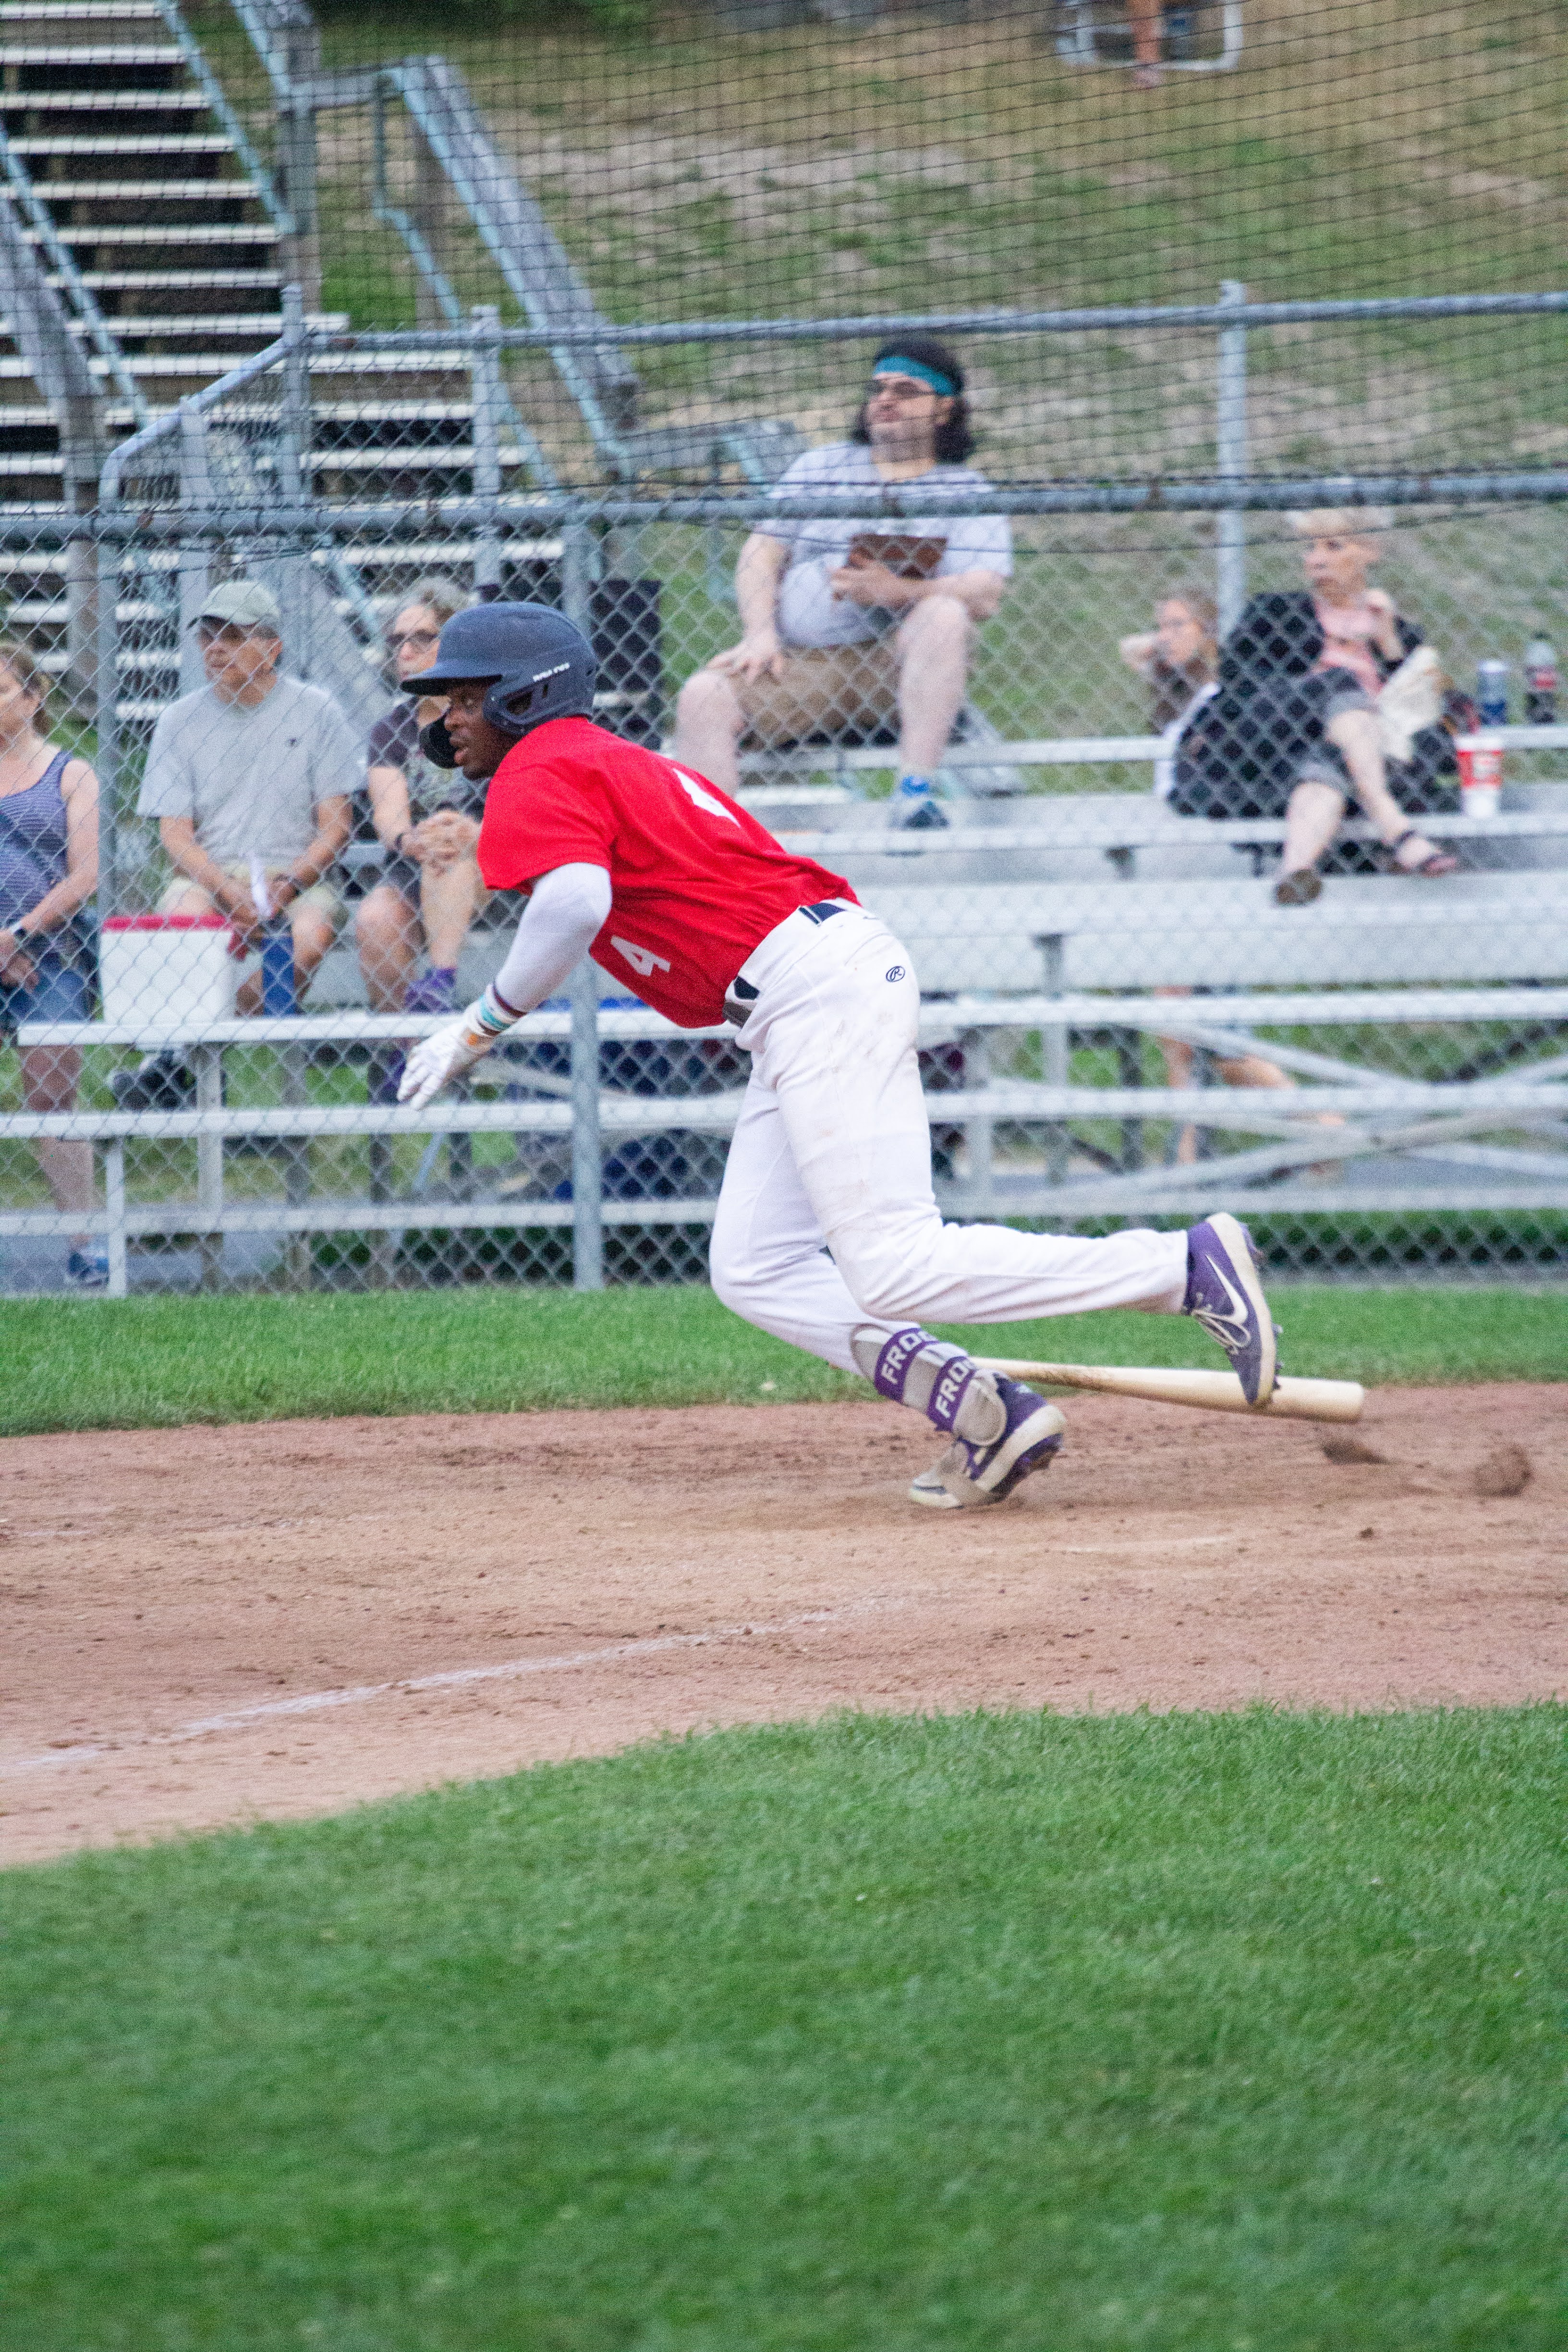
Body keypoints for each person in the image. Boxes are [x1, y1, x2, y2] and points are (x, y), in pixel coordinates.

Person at [395, 601, 1282, 1512]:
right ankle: (981, 1406)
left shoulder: (543, 763)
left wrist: (478, 1024)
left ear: (524, 694)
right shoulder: (589, 761)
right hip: (805, 990)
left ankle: (1183, 1266)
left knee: (896, 1262)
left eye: (466, 695)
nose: (447, 718)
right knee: (755, 1264)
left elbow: (576, 902)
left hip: (814, 988)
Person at [671, 337, 1010, 832]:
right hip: (798, 664)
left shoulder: (966, 491)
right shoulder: (821, 466)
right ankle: (718, 851)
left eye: (905, 390)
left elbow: (985, 592)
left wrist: (900, 592)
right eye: (876, 388)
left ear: (945, 409)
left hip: (891, 668)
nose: (884, 399)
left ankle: (914, 795)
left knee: (945, 614)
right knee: (702, 694)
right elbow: (761, 552)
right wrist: (759, 633)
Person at [118, 581, 357, 1107]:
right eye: (207, 636)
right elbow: (175, 838)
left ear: (272, 646)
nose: (215, 648)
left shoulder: (318, 711)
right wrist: (231, 892)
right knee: (182, 916)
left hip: (293, 870)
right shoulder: (179, 720)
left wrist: (288, 885)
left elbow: (336, 827)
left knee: (310, 938)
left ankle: (181, 1054)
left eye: (231, 635)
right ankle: (192, 1061)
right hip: (210, 870)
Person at [1171, 510, 1459, 906]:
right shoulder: (1273, 614)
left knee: (1327, 760)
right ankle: (1397, 830)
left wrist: (1389, 643)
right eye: (1310, 548)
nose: (1316, 559)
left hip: (1345, 764)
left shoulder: (1400, 632)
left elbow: (1425, 719)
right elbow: (1239, 687)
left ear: (1369, 552)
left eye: (1333, 546)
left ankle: (1294, 872)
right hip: (1268, 749)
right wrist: (1319, 693)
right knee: (1339, 685)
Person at [1122, 584, 1295, 1155]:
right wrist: (1165, 644)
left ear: (1209, 634)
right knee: (1176, 1030)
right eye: (1160, 625)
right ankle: (1188, 1149)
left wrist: (1177, 644)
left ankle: (1327, 1127)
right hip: (1173, 874)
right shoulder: (1176, 695)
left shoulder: (1220, 695)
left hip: (1206, 872)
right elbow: (1134, 649)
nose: (1163, 637)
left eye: (1178, 625)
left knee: (1221, 1046)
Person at [0, 637, 103, 1287]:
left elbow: (84, 876)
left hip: (49, 952)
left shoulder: (72, 773)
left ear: (33, 699)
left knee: (52, 1094)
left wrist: (17, 935)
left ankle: (85, 1242)